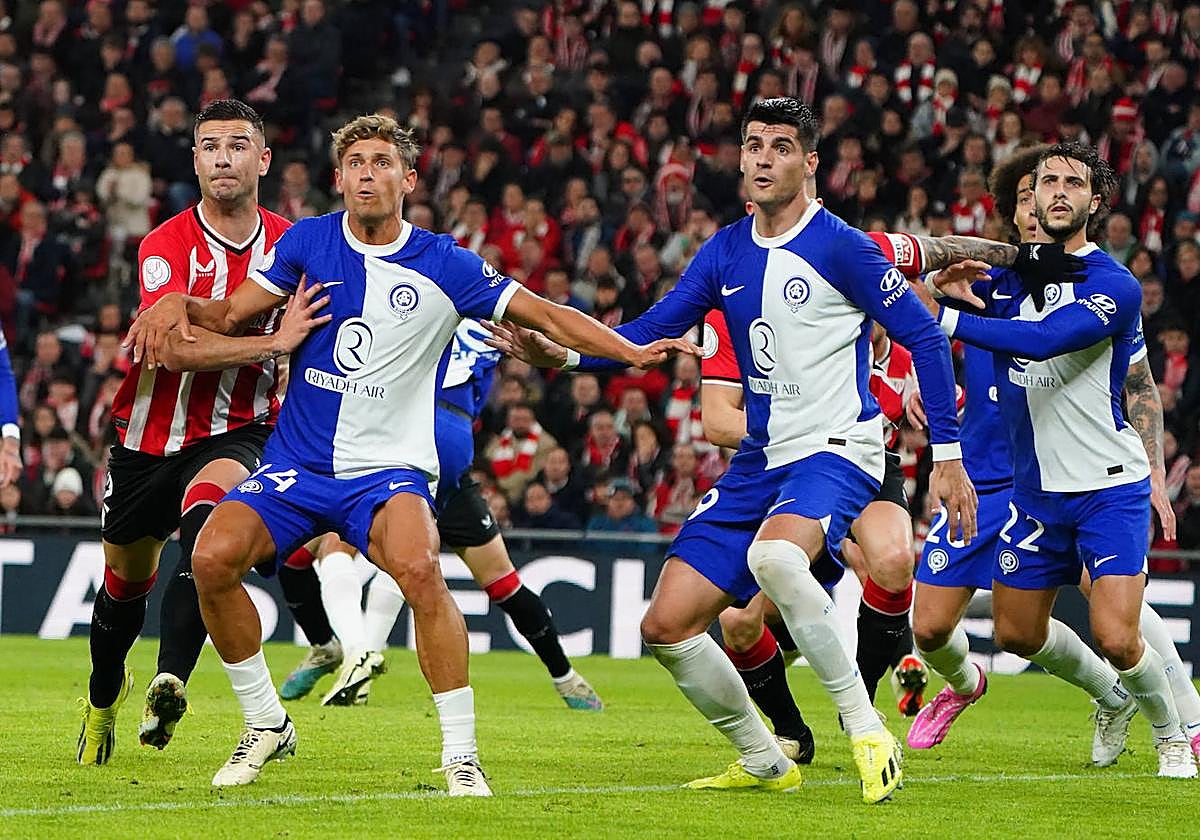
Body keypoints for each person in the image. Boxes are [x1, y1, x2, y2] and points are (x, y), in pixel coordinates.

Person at [125, 114, 692, 793]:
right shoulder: (307, 243)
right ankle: (267, 722)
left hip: (387, 471)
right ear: (339, 177)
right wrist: (175, 303)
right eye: (356, 163)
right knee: (211, 557)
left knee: (421, 570)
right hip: (299, 464)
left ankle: (460, 754)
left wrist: (629, 349)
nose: (368, 173)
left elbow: (543, 314)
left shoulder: (447, 263)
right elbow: (228, 317)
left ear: (409, 177)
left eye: (382, 162)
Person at [486, 98, 981, 804]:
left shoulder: (842, 245)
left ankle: (866, 728)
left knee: (774, 558)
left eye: (781, 147)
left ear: (810, 163)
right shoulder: (723, 251)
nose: (762, 158)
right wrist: (560, 358)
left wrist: (951, 457)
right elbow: (649, 335)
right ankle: (766, 759)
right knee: (666, 625)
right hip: (762, 456)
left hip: (837, 445)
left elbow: (928, 339)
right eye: (754, 145)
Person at [908, 144, 1200, 769]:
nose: (1055, 195)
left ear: (1094, 203)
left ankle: (1176, 728)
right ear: (1027, 200)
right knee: (1014, 633)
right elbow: (946, 275)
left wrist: (943, 318)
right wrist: (934, 290)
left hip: (1105, 485)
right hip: (1032, 493)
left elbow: (1044, 342)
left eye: (1073, 184)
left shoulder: (1113, 284)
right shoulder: (1006, 276)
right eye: (1045, 184)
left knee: (1119, 634)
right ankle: (1109, 698)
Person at [75, 99, 293, 767]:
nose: (223, 157)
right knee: (122, 589)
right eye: (210, 147)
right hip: (146, 438)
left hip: (239, 430)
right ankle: (104, 697)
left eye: (237, 145)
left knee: (209, 539)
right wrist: (271, 343)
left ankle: (171, 681)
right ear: (195, 160)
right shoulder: (165, 244)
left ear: (263, 159)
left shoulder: (294, 243)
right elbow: (170, 352)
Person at [279, 319, 602, 712]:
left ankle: (353, 654)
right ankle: (568, 680)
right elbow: (553, 336)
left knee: (334, 544)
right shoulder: (489, 318)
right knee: (503, 583)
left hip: (406, 433)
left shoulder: (417, 304)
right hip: (452, 445)